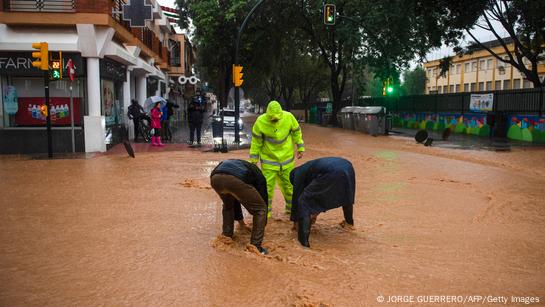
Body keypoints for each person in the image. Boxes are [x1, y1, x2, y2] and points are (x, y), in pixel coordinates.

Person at [249, 100, 305, 218]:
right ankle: (266, 214)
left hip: (287, 160)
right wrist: (253, 160)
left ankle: (291, 211)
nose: (274, 120)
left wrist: (300, 147)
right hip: (269, 163)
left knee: (290, 187)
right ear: (267, 114)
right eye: (272, 118)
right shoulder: (260, 122)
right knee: (266, 189)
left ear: (281, 114)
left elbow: (297, 132)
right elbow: (256, 143)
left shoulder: (289, 117)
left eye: (277, 118)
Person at [289, 157, 356, 248]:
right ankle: (349, 224)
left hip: (333, 171)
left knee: (303, 201)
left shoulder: (297, 174)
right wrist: (315, 212)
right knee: (346, 194)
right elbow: (321, 194)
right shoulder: (309, 168)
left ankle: (303, 244)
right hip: (347, 167)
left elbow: (296, 198)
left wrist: (295, 221)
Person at [210, 159, 269, 254]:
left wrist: (241, 223)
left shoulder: (239, 165)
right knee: (261, 209)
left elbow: (236, 198)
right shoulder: (259, 176)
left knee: (228, 206)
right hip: (234, 180)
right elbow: (263, 198)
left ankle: (227, 236)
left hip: (215, 178)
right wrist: (263, 222)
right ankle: (255, 247)